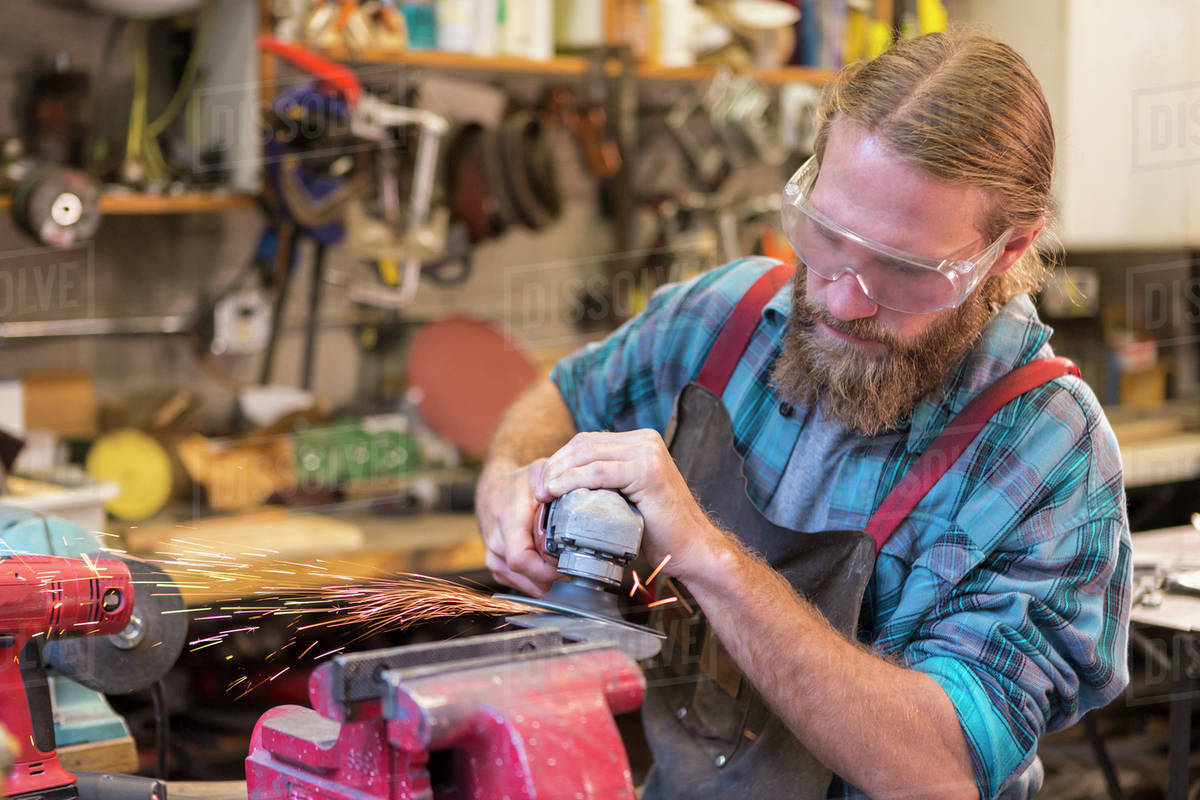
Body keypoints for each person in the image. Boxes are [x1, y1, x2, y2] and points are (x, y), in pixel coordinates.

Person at [474, 30, 1131, 800]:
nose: (845, 299)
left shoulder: (1052, 456)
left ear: (1007, 252)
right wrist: (508, 484)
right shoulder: (723, 319)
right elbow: (560, 397)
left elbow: (938, 771)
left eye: (907, 270)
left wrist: (706, 556)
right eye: (828, 236)